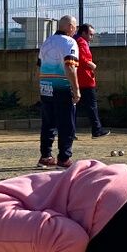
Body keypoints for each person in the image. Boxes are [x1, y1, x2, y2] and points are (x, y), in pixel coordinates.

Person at [36, 16, 81, 168]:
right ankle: (64, 158)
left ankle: (45, 155)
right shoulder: (69, 42)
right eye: (74, 27)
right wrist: (76, 90)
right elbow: (70, 67)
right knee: (67, 124)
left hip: (46, 86)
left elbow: (39, 66)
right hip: (62, 87)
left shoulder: (47, 42)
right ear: (69, 26)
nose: (75, 30)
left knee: (48, 123)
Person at [73, 23, 109, 138]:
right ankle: (96, 130)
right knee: (92, 106)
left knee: (74, 106)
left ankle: (70, 131)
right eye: (90, 34)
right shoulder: (81, 42)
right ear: (83, 33)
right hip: (86, 79)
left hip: (76, 78)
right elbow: (83, 59)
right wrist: (92, 65)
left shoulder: (74, 40)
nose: (91, 37)